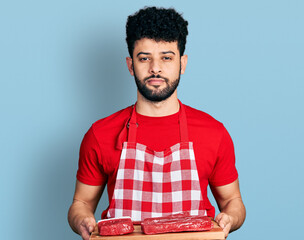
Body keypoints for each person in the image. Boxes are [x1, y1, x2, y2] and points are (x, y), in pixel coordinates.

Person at [68, 6, 245, 240]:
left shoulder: (213, 132)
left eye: (166, 57)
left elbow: (233, 201)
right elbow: (81, 202)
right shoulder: (101, 134)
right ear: (131, 65)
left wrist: (230, 218)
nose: (156, 68)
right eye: (145, 58)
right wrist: (82, 219)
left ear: (182, 63)